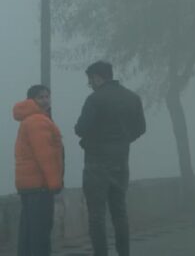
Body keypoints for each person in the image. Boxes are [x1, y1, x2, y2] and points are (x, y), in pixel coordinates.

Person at [75, 61, 146, 256]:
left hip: (96, 163)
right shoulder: (132, 98)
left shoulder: (95, 99)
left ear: (97, 77)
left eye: (90, 80)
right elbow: (141, 128)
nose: (90, 84)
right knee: (119, 212)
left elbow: (80, 129)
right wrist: (122, 141)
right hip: (121, 162)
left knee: (96, 216)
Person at [14, 84, 64, 256]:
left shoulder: (29, 120)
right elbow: (45, 155)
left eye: (47, 96)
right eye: (41, 97)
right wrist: (55, 183)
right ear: (31, 100)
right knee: (40, 231)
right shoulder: (38, 120)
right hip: (40, 184)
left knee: (28, 231)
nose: (45, 100)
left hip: (28, 184)